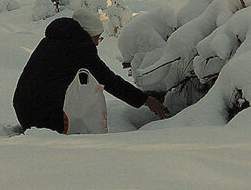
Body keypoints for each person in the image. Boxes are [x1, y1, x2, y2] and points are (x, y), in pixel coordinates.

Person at [13, 8, 170, 133]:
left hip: (23, 106)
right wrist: (146, 100)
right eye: (97, 37)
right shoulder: (79, 47)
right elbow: (108, 80)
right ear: (87, 34)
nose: (97, 42)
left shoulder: (52, 40)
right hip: (44, 114)